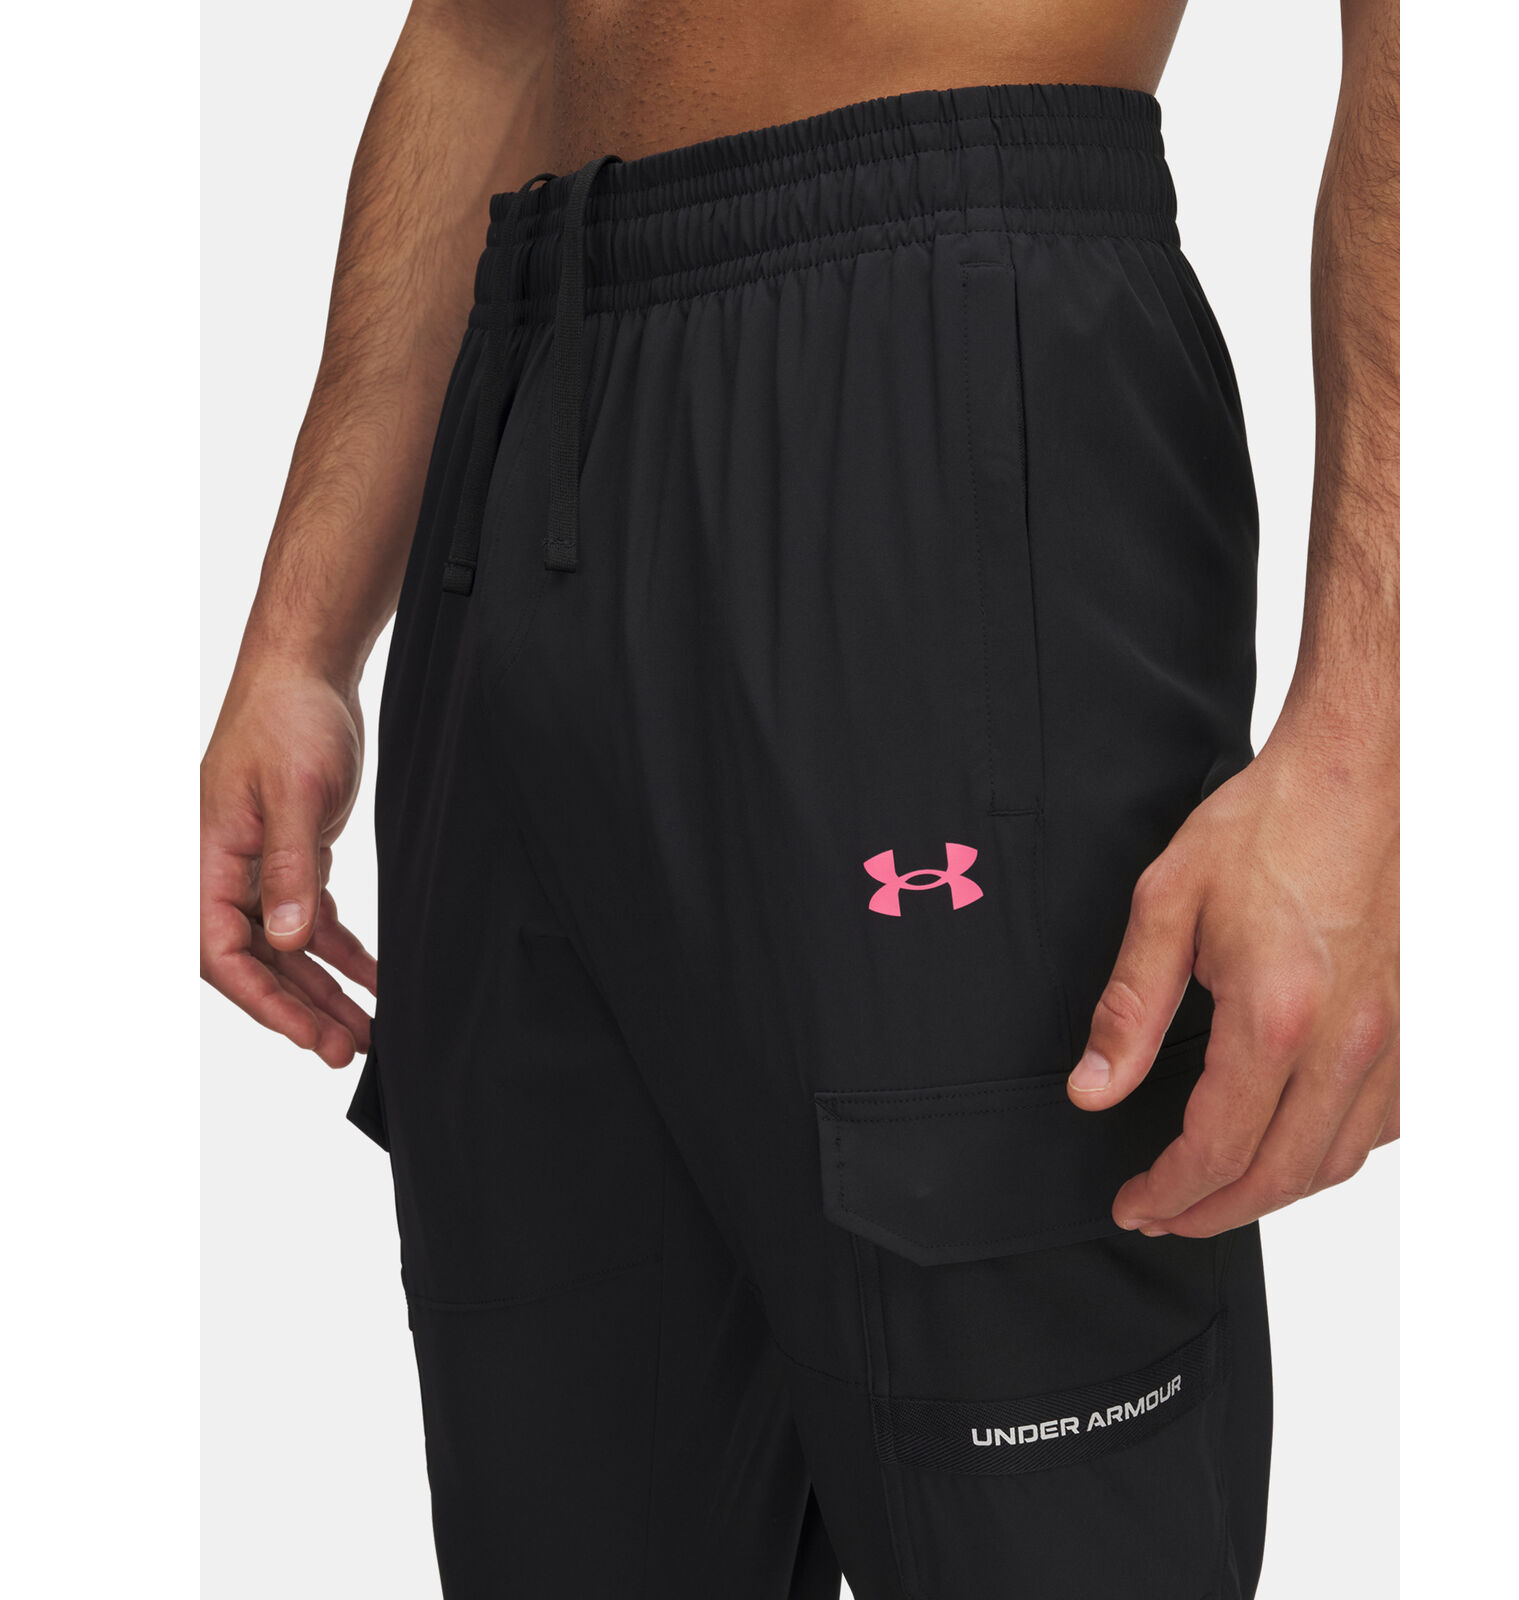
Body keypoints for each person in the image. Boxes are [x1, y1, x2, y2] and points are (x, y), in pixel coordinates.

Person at [200, 0, 1397, 1592]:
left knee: (1037, 1512)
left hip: (928, 354)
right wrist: (299, 637)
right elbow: (483, 31)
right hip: (525, 408)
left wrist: (1376, 739)